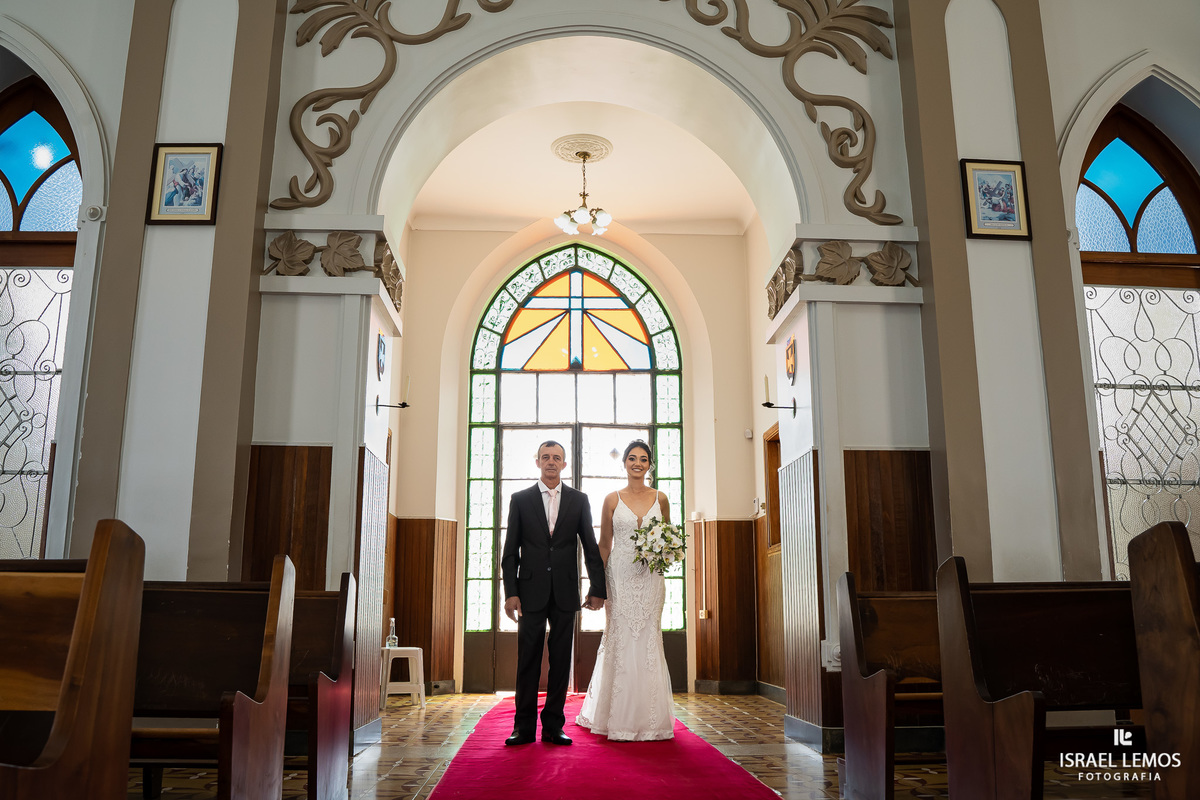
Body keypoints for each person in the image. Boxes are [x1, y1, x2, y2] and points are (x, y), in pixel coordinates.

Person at [501, 440, 606, 746]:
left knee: (561, 662)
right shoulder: (520, 500)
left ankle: (553, 726)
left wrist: (597, 588)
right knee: (528, 661)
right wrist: (511, 592)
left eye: (556, 457)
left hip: (565, 592)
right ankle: (523, 728)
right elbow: (510, 552)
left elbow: (590, 546)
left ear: (564, 464)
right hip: (529, 593)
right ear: (537, 462)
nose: (551, 462)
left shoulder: (578, 500)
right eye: (545, 457)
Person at [575, 439, 675, 741]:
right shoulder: (612, 499)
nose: (637, 463)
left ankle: (650, 717)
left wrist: (663, 554)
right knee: (620, 637)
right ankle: (615, 716)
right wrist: (597, 584)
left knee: (648, 638)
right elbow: (605, 544)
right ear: (624, 463)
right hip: (619, 575)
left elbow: (669, 538)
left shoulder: (661, 498)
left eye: (643, 459)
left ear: (650, 465)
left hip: (651, 577)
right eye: (632, 458)